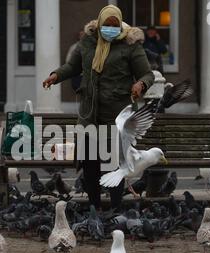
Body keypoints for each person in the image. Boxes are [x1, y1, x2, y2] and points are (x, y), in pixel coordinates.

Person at [43, 5, 154, 211]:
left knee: (113, 165)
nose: (110, 29)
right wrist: (56, 76)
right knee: (90, 165)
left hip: (116, 115)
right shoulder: (87, 42)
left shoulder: (130, 45)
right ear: (100, 24)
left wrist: (140, 85)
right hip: (89, 115)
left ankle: (114, 209)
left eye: (114, 25)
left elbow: (148, 74)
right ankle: (94, 207)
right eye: (107, 25)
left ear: (120, 25)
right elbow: (72, 66)